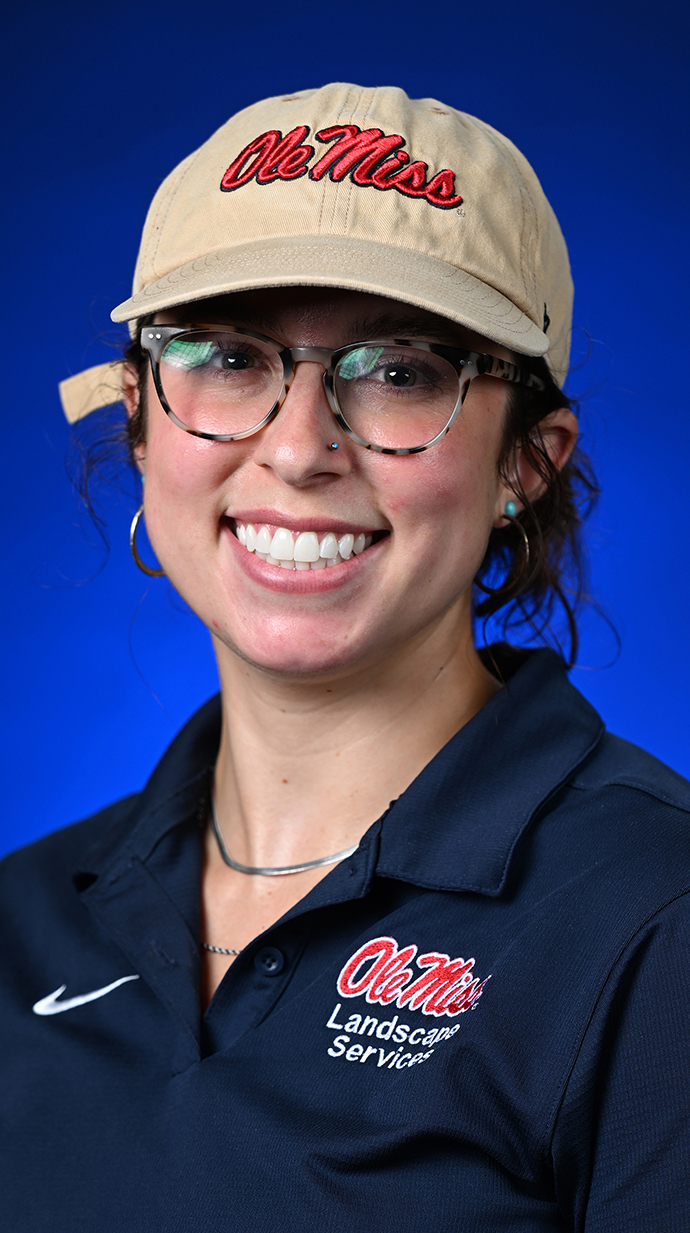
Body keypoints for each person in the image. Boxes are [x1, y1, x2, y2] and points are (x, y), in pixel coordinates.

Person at [2, 83, 689, 1231]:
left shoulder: (654, 924)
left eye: (401, 370)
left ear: (529, 460)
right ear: (137, 419)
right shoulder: (24, 919)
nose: (299, 447)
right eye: (225, 355)